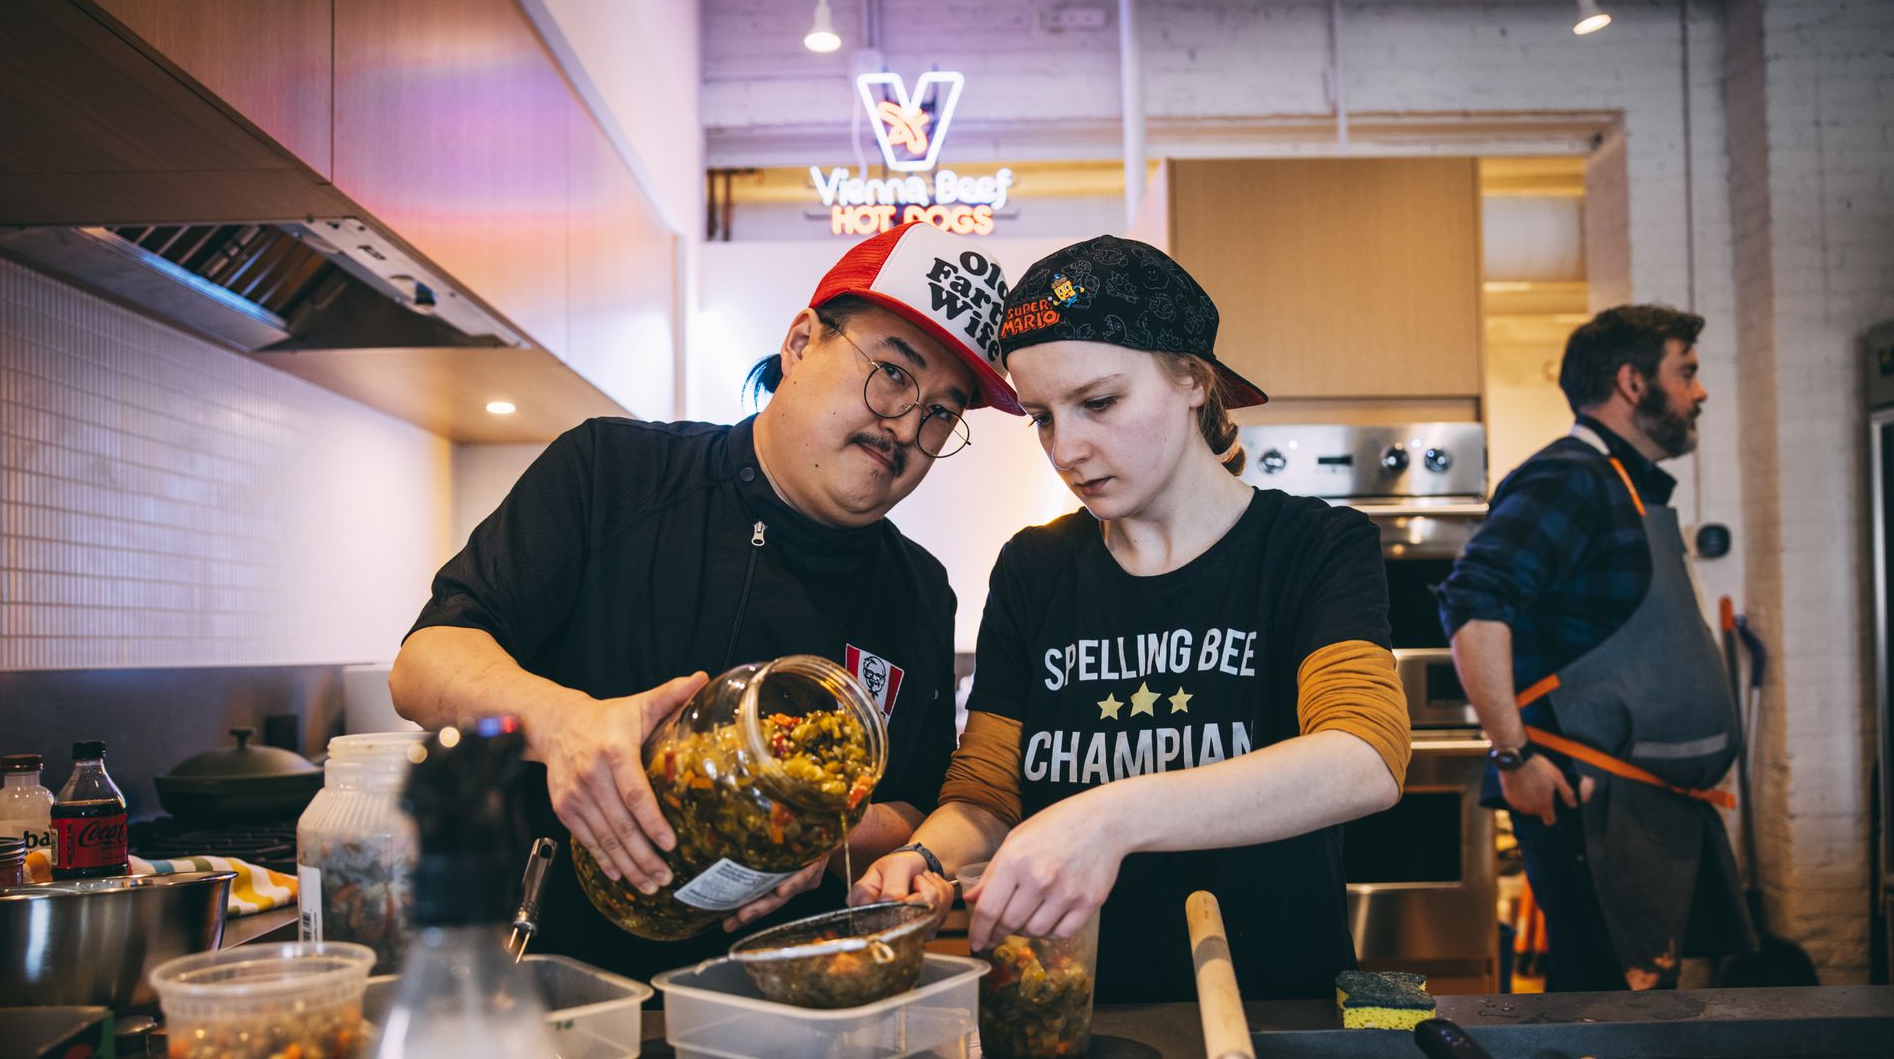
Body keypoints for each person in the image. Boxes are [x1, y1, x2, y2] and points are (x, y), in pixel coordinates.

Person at [389, 222, 1017, 977]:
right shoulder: (612, 474)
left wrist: (821, 834)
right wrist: (563, 725)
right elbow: (423, 664)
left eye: (943, 412)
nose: (909, 426)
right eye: (892, 372)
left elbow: (911, 803)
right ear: (800, 343)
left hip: (784, 1007)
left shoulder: (918, 588)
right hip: (565, 988)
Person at [850, 235, 1412, 1002]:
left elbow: (1362, 758)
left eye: (1100, 403)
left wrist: (1111, 817)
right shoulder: (1035, 569)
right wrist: (927, 859)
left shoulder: (1311, 546)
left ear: (1192, 379)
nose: (1067, 449)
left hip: (1268, 1007)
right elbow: (986, 795)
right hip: (1073, 1007)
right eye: (1042, 418)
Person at [1436, 304, 1754, 991]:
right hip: (1587, 801)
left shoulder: (1619, 483)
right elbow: (1472, 598)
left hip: (1639, 805)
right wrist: (1513, 754)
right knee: (1604, 1008)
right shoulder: (1571, 478)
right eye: (1687, 372)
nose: (1699, 392)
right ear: (1633, 382)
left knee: (1623, 1006)